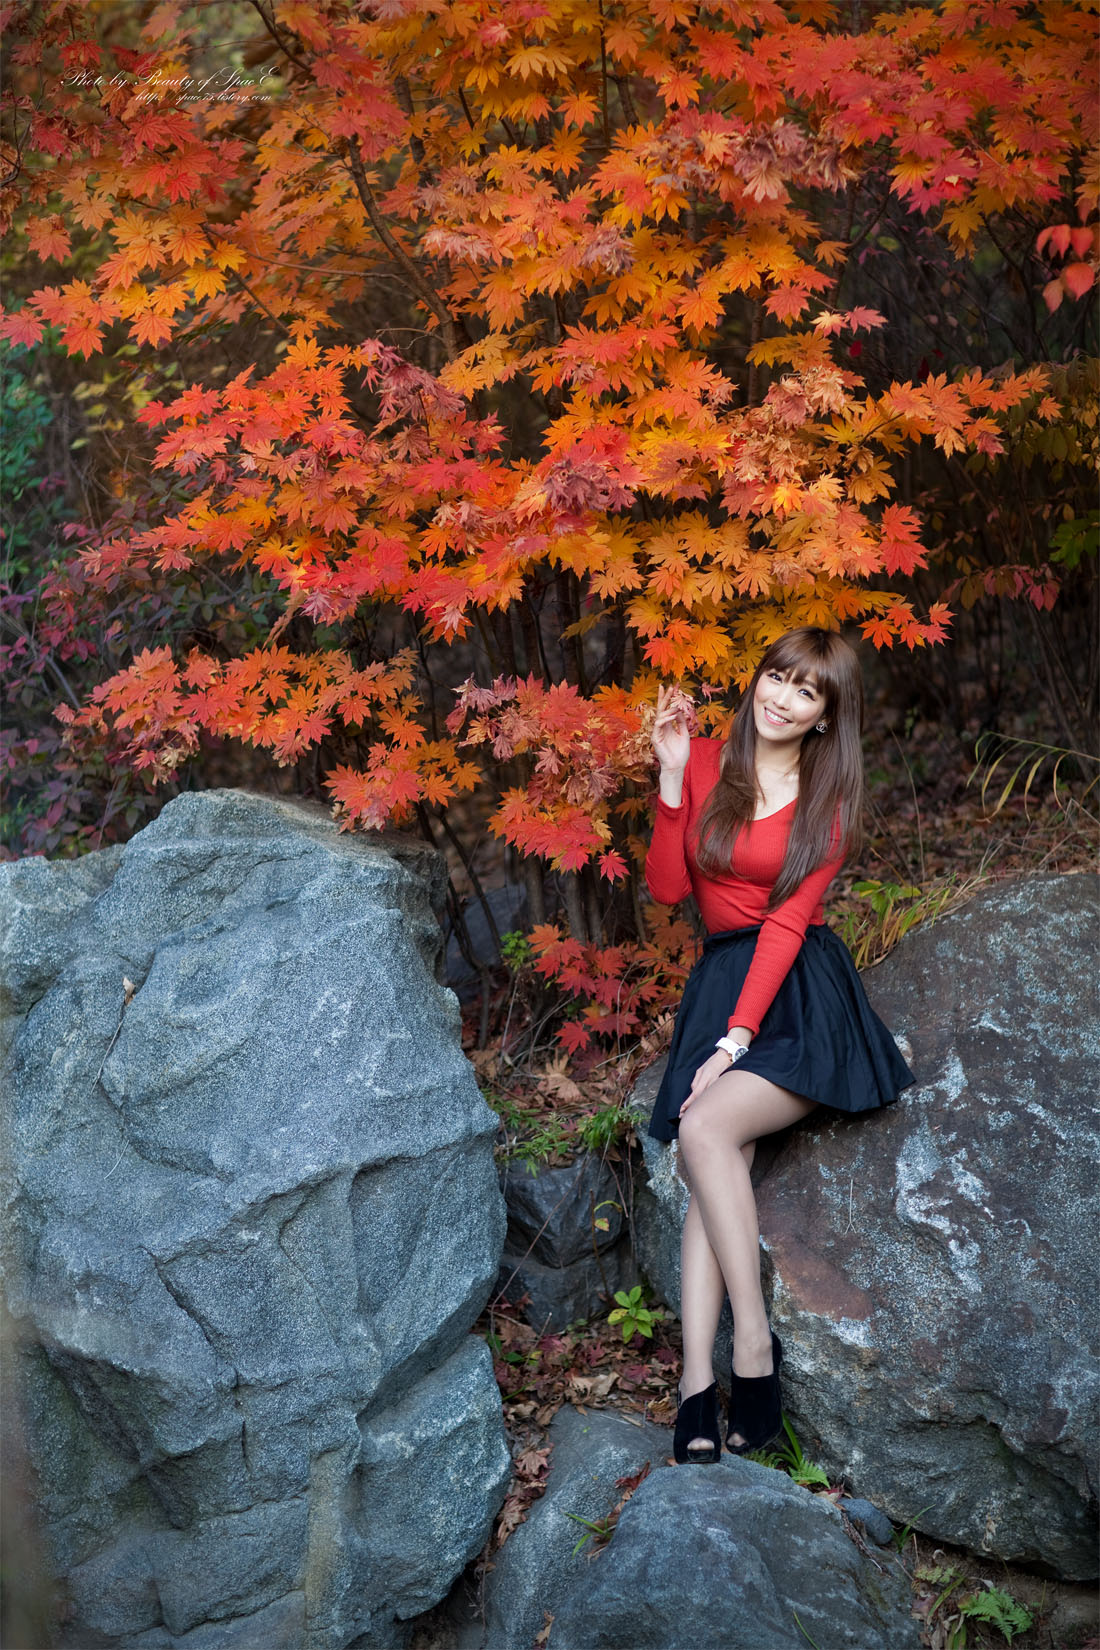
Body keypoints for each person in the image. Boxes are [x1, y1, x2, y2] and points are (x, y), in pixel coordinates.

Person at [646, 626, 914, 1463]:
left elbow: (787, 926)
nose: (782, 698)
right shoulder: (704, 765)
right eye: (776, 677)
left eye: (806, 691)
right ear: (756, 681)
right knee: (712, 1159)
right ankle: (698, 1384)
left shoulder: (827, 803)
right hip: (720, 981)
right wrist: (669, 777)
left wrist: (733, 1044)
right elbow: (666, 890)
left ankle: (753, 1348)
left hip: (797, 988)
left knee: (704, 1129)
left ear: (825, 716)